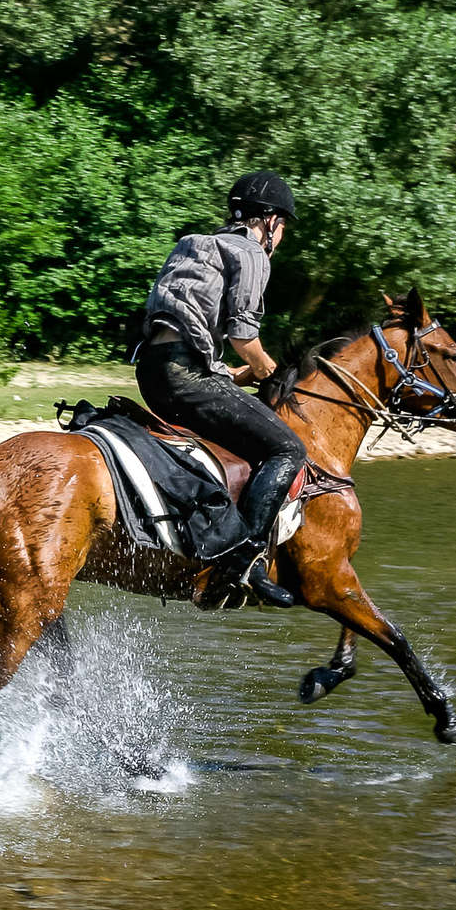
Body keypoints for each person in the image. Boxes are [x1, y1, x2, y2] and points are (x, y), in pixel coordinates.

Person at [136, 171, 307, 608]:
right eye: (283, 224)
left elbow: (184, 335)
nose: (281, 234)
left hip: (153, 372)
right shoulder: (251, 253)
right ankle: (242, 563)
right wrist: (268, 371)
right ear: (268, 221)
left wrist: (231, 375)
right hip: (184, 376)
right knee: (287, 449)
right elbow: (243, 337)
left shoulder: (194, 243)